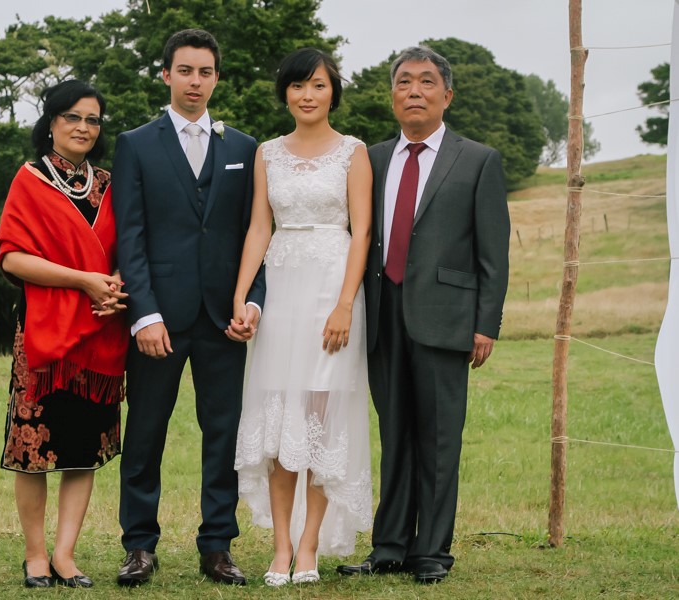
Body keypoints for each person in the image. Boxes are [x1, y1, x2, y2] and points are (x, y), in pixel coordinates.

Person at [337, 45, 510, 584]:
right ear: (392, 97)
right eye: (404, 82)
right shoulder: (373, 157)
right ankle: (388, 546)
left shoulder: (478, 160)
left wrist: (486, 323)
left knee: (438, 438)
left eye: (427, 81)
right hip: (382, 313)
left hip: (446, 317)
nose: (415, 90)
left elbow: (493, 251)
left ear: (447, 95)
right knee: (395, 434)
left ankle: (431, 551)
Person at [110, 28, 265, 587]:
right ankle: (139, 545)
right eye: (184, 71)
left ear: (216, 78)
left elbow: (256, 234)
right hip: (160, 320)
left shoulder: (245, 149)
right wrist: (143, 314)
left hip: (224, 319)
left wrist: (253, 302)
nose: (194, 82)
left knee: (222, 433)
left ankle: (217, 545)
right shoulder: (136, 144)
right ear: (166, 75)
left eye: (204, 72)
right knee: (146, 431)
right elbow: (129, 235)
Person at [232, 48, 373, 587]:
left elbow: (361, 232)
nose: (306, 95)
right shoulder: (268, 153)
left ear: (332, 90)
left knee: (319, 417)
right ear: (285, 93)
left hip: (332, 289)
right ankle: (280, 547)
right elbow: (258, 229)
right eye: (296, 86)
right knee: (278, 419)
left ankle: (311, 545)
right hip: (282, 291)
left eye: (317, 85)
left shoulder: (353, 152)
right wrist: (242, 295)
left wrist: (343, 303)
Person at [0, 80, 129, 589]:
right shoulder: (30, 180)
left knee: (84, 448)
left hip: (100, 334)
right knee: (33, 452)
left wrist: (116, 287)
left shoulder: (109, 184)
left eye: (93, 120)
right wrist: (83, 280)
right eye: (72, 117)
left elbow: (123, 254)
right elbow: (12, 256)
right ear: (50, 122)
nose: (83, 127)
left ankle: (66, 555)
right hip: (45, 338)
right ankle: (34, 555)